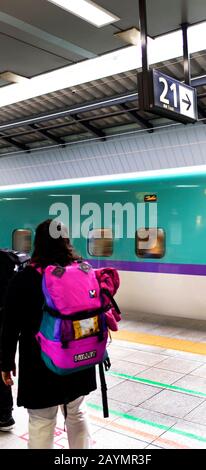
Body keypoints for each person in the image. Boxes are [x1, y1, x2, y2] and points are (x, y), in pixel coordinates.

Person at [1, 219, 97, 449]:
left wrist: (6, 363)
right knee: (77, 413)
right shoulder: (83, 269)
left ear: (38, 243)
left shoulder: (25, 278)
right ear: (67, 241)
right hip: (78, 359)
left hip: (40, 362)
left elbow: (10, 325)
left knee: (42, 420)